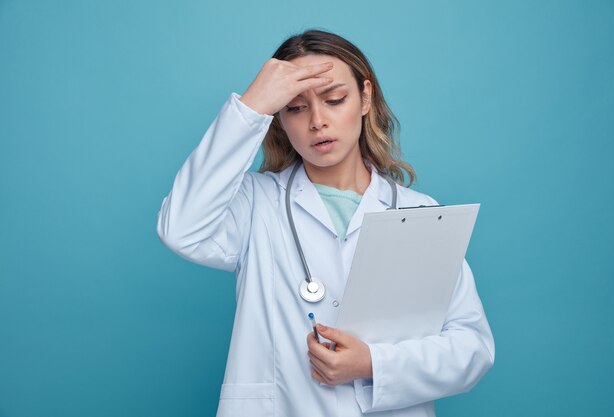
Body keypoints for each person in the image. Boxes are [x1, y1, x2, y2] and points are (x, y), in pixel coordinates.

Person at [157, 29, 494, 417]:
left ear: (365, 97)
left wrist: (372, 363)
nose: (317, 121)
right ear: (278, 119)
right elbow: (180, 228)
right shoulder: (254, 204)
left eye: (334, 99)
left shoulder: (420, 212)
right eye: (295, 108)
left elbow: (472, 347)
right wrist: (251, 107)